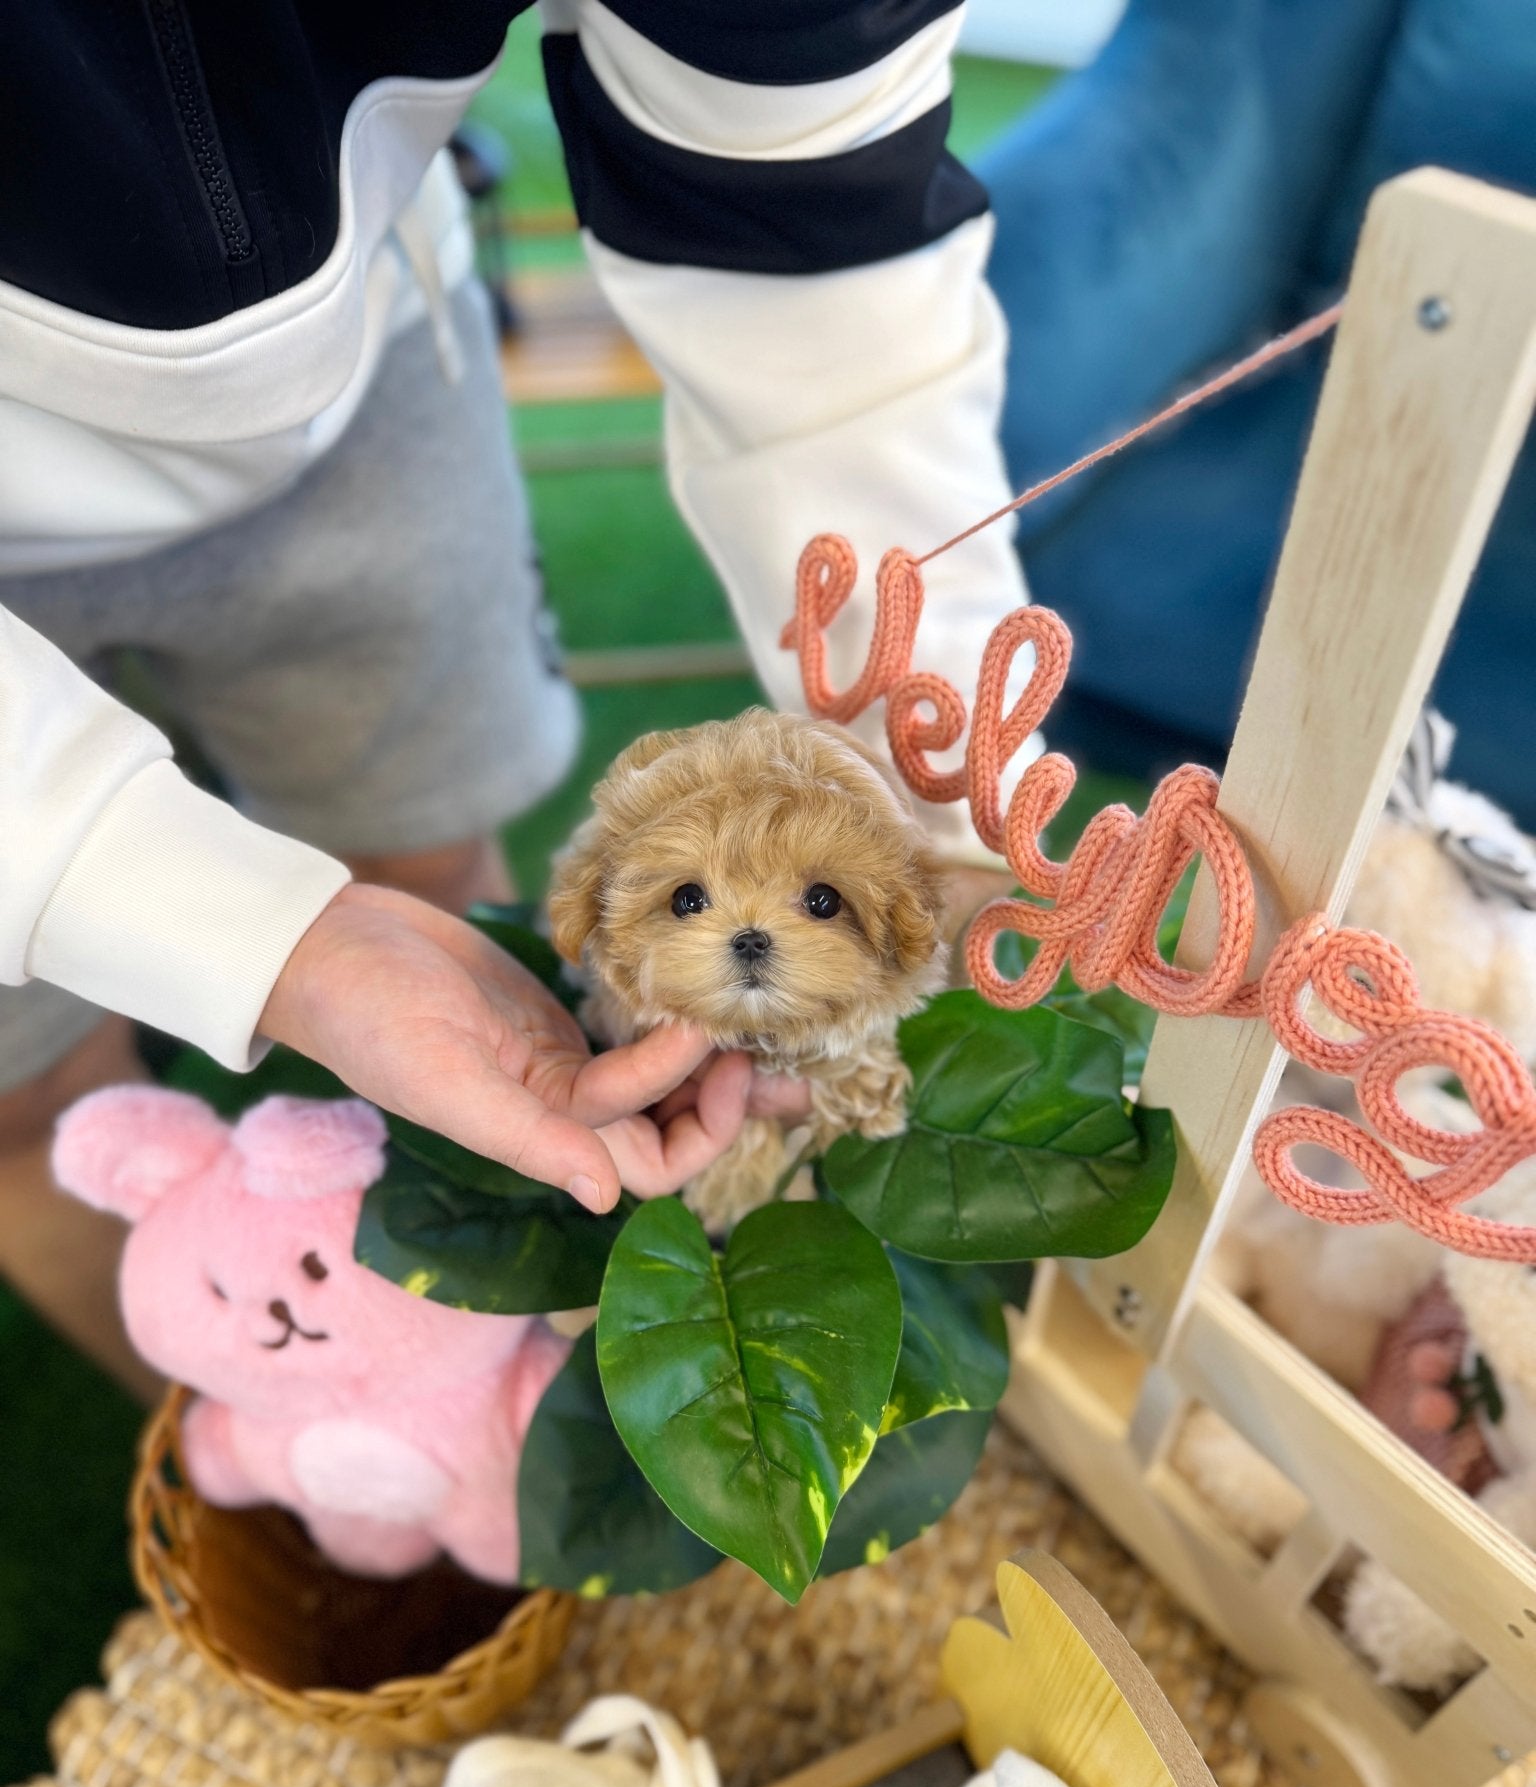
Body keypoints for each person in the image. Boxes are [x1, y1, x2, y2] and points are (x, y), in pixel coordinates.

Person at [1, 2, 1027, 1384]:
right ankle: (238, 1407)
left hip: (366, 352)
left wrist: (940, 768)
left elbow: (806, 207)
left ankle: (481, 1373)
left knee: (431, 870)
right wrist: (213, 916)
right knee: (24, 1088)